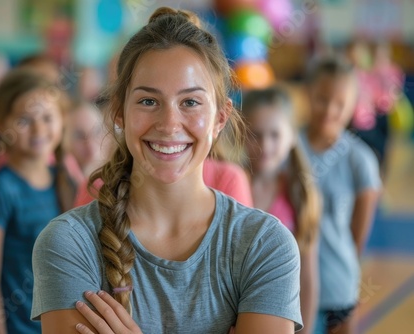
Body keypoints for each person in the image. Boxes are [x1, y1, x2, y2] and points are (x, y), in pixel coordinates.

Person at [32, 7, 302, 334]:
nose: (169, 124)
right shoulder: (69, 243)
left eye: (190, 102)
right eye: (148, 101)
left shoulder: (265, 245)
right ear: (119, 112)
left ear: (220, 117)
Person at [0, 69, 75, 333]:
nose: (39, 128)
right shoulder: (0, 190)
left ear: (62, 119)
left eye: (47, 117)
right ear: (1, 124)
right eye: (24, 120)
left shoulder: (64, 181)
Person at [301, 57, 382, 334]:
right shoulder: (288, 145)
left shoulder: (360, 160)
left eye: (340, 103)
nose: (330, 110)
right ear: (308, 94)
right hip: (291, 284)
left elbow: (358, 235)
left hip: (338, 286)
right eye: (322, 98)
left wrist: (342, 266)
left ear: (353, 105)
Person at [242, 87, 320, 334]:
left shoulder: (301, 195)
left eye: (275, 135)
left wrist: (304, 331)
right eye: (256, 134)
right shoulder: (228, 186)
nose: (265, 144)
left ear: (293, 136)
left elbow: (307, 277)